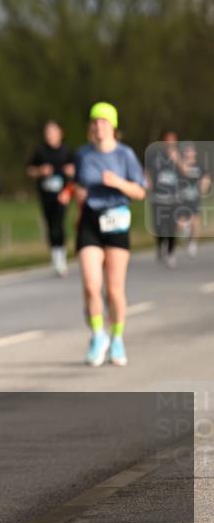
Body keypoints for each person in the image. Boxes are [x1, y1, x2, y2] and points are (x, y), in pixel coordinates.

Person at [74, 102, 146, 367]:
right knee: (91, 286)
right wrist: (77, 195)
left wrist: (118, 183)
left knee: (114, 290)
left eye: (103, 122)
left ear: (113, 127)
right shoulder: (82, 154)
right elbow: (78, 185)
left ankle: (117, 338)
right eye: (94, 122)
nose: (98, 126)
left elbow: (140, 192)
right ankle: (97, 335)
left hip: (117, 221)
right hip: (90, 221)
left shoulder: (125, 155)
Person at [27, 121, 76, 276]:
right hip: (46, 195)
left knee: (59, 223)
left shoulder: (67, 152)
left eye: (53, 132)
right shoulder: (40, 151)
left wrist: (70, 175)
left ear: (60, 134)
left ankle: (61, 258)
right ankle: (55, 257)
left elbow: (76, 172)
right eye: (48, 133)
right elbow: (29, 170)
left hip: (62, 194)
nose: (50, 136)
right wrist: (40, 171)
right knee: (49, 225)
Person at [146, 130, 182, 268]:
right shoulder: (155, 155)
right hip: (157, 196)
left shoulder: (179, 155)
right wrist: (148, 182)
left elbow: (186, 171)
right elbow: (148, 171)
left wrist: (177, 160)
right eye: (167, 140)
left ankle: (171, 252)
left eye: (172, 140)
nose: (169, 143)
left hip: (173, 198)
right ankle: (161, 245)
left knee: (172, 226)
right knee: (159, 225)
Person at [177, 142, 211, 258]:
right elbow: (182, 172)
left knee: (195, 221)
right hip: (181, 199)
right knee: (181, 223)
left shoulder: (200, 166)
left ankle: (193, 243)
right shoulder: (179, 165)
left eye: (191, 151)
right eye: (187, 151)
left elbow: (206, 177)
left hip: (194, 198)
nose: (189, 153)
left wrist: (205, 183)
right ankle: (185, 233)